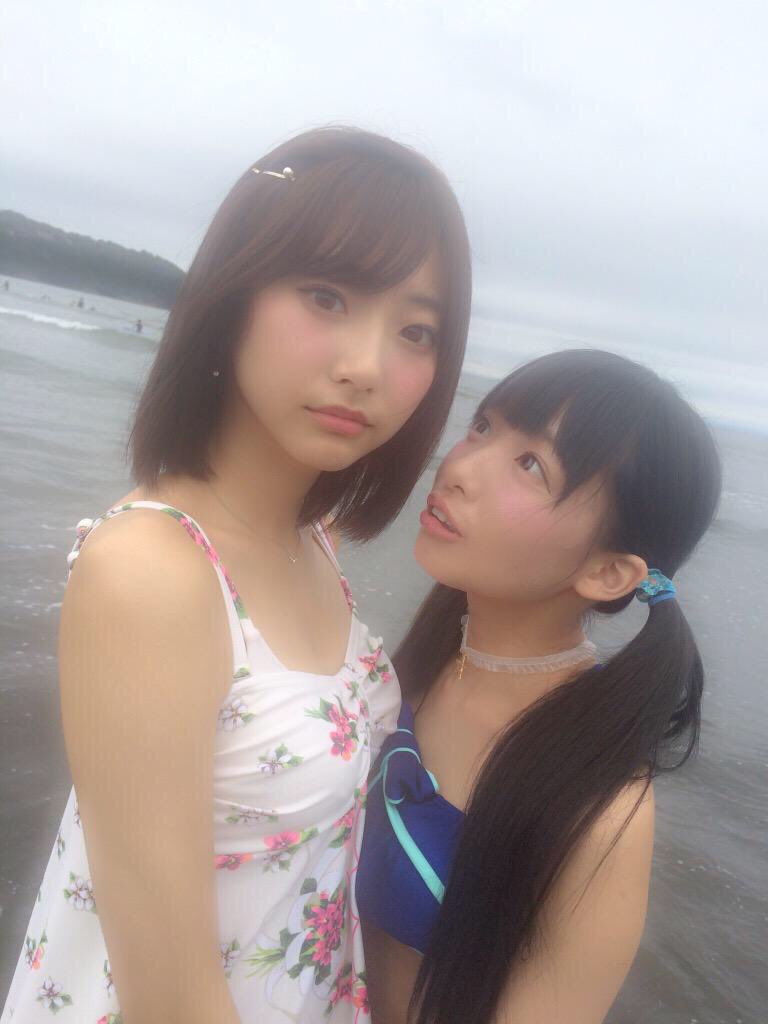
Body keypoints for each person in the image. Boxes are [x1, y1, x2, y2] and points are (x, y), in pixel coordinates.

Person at [1, 127, 471, 1024]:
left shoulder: (313, 537)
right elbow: (170, 999)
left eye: (416, 331)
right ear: (233, 292)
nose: (366, 366)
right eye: (327, 297)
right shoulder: (150, 574)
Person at [357, 349, 721, 1024]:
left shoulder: (599, 810)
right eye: (483, 427)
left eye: (531, 465)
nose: (460, 467)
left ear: (608, 573)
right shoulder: (420, 662)